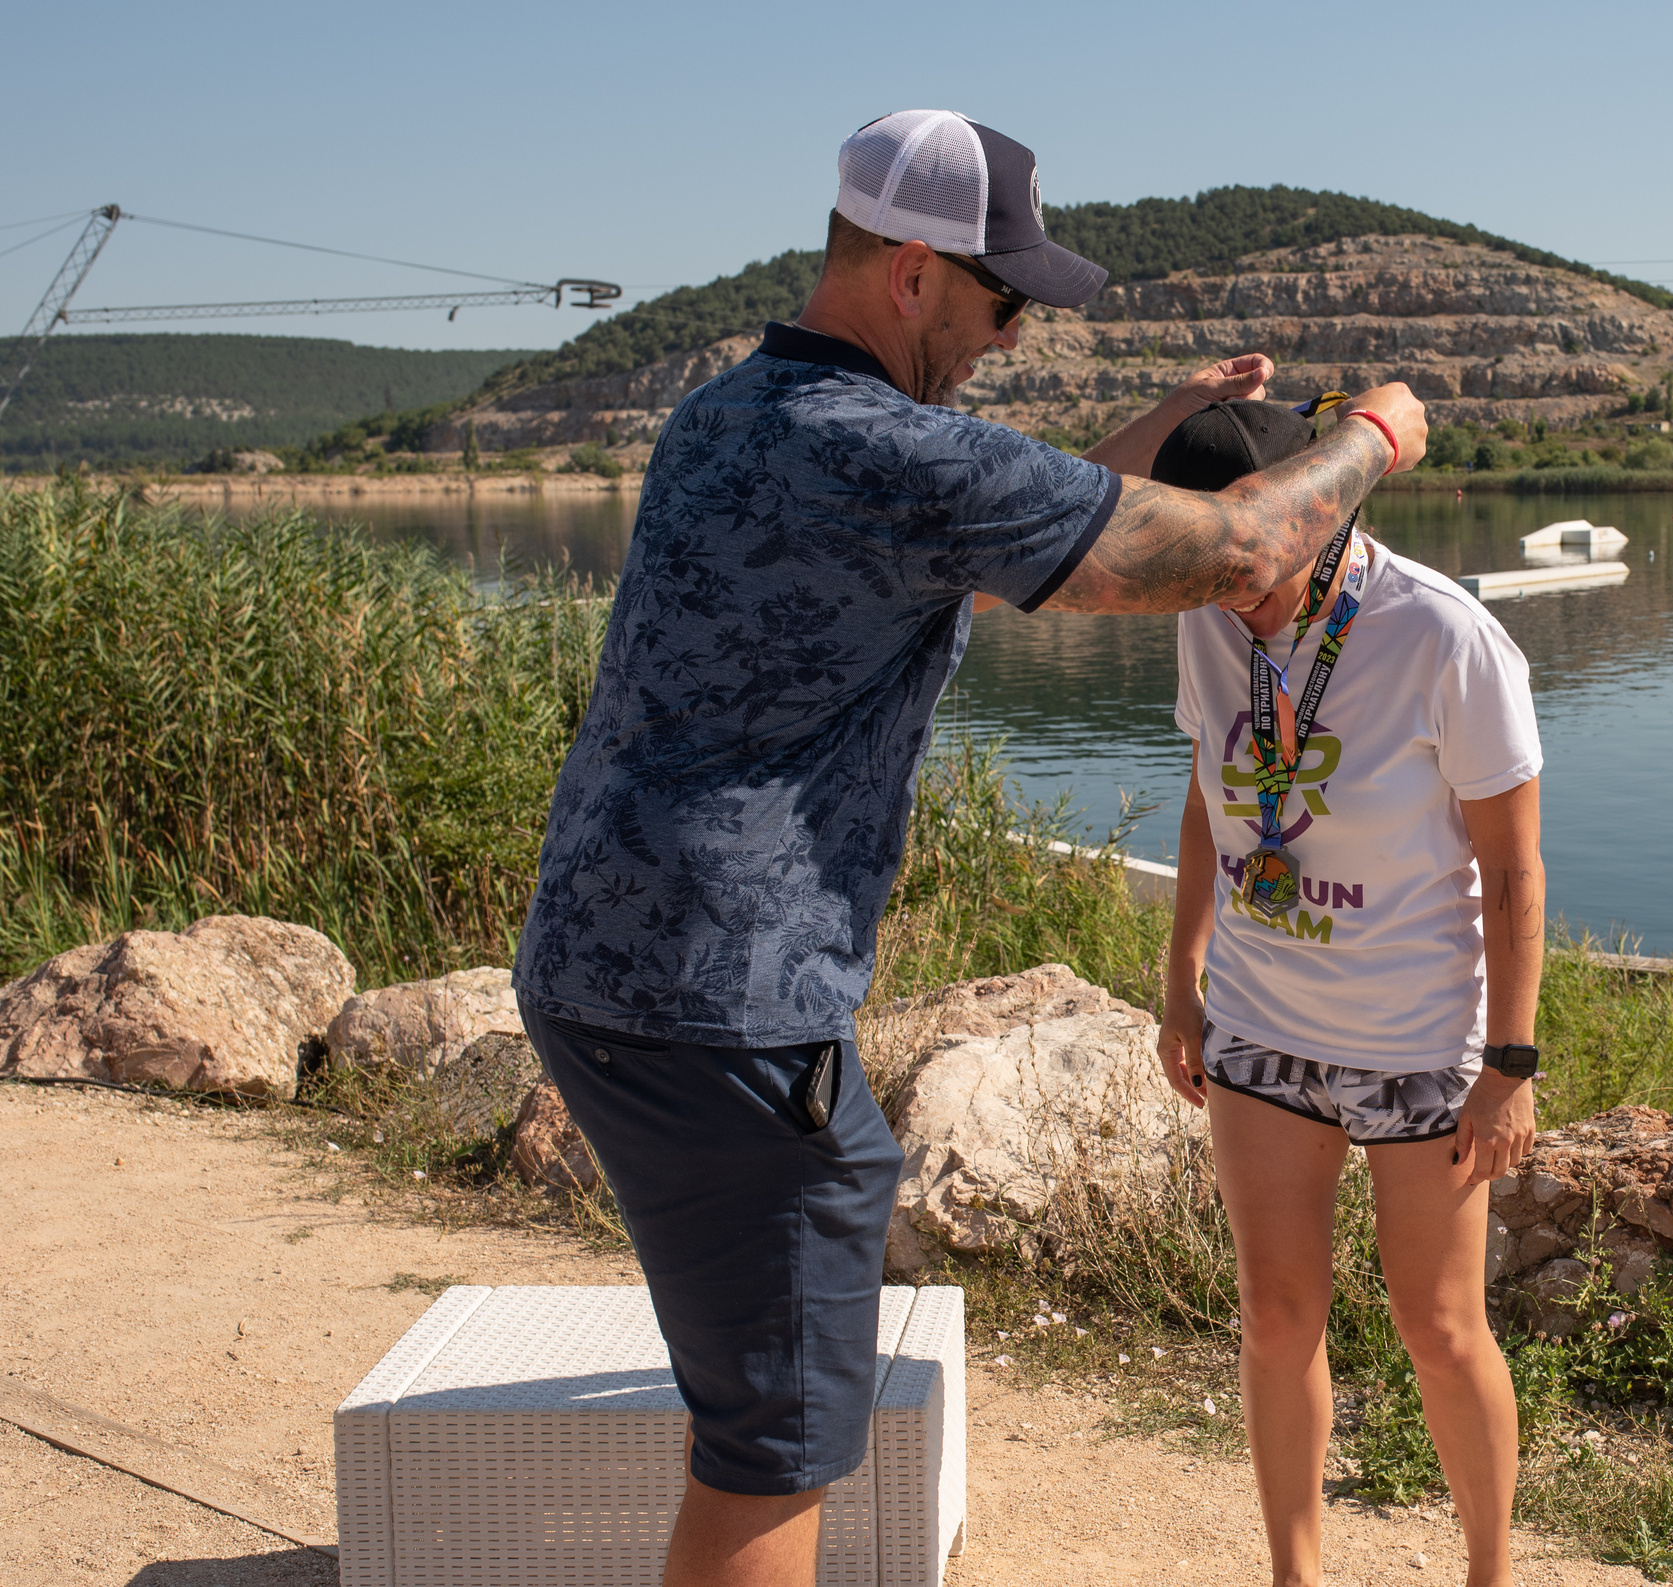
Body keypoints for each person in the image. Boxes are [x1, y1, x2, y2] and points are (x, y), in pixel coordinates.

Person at [511, 109, 1427, 1587]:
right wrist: (1373, 433)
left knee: (771, 1372)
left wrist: (1166, 411)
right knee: (776, 1439)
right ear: (916, 275)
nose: (1011, 332)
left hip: (597, 964)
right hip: (730, 1003)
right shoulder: (888, 454)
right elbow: (1248, 550)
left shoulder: (727, 416)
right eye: (1003, 299)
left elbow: (997, 547)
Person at [1150, 398, 1545, 1587]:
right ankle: (1294, 1575)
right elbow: (1209, 793)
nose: (1234, 594)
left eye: (1249, 565)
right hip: (1264, 1028)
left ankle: (1488, 1572)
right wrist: (1181, 975)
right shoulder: (1208, 616)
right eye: (1207, 566)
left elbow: (1514, 867)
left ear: (1319, 514)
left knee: (1438, 1327)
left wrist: (1509, 1063)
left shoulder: (1445, 636)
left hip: (1420, 1041)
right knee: (1275, 1318)